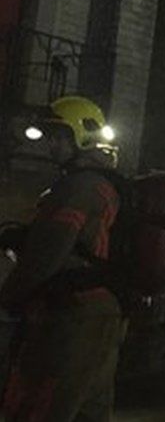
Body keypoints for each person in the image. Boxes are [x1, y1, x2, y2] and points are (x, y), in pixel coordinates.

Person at [1, 96, 126, 422]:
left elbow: (49, 254)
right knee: (90, 412)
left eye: (59, 137)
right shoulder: (102, 184)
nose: (51, 145)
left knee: (41, 408)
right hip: (101, 311)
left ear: (79, 138)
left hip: (71, 315)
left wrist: (10, 297)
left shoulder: (77, 187)